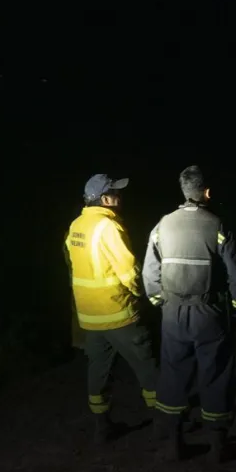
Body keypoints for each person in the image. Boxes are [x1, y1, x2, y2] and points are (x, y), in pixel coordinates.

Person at [143, 165, 236, 463]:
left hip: (173, 313)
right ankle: (217, 446)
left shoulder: (162, 225)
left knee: (174, 375)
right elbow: (235, 276)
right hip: (210, 314)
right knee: (215, 374)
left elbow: (150, 271)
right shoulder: (217, 225)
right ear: (207, 192)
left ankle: (173, 445)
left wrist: (160, 302)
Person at [64, 173, 158, 443]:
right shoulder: (108, 227)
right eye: (115, 193)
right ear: (104, 199)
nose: (120, 197)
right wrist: (142, 295)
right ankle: (165, 422)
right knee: (147, 365)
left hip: (89, 317)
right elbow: (128, 269)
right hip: (118, 313)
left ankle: (101, 427)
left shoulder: (75, 226)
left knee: (98, 370)